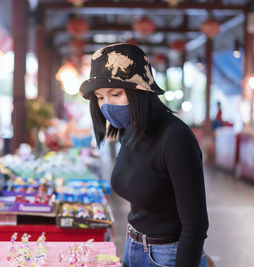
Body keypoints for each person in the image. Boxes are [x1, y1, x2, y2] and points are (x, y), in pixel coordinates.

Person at [79, 43, 209, 267]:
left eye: (116, 94)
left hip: (169, 255)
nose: (106, 105)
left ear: (141, 90)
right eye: (100, 97)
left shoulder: (176, 137)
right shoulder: (128, 130)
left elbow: (195, 225)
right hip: (133, 247)